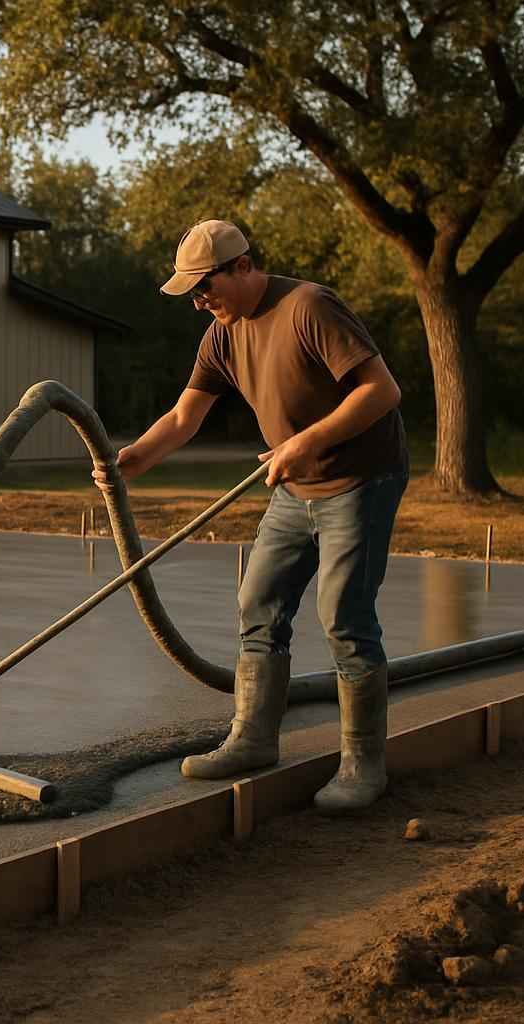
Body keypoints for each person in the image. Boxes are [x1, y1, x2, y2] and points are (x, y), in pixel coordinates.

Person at [95, 220, 409, 812]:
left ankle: (363, 764)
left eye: (204, 285)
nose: (198, 300)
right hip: (296, 487)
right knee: (257, 603)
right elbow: (187, 416)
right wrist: (135, 457)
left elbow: (382, 392)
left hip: (360, 480)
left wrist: (304, 443)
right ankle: (254, 740)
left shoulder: (308, 307)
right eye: (190, 292)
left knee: (344, 616)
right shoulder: (221, 333)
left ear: (242, 267)